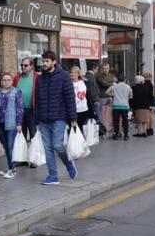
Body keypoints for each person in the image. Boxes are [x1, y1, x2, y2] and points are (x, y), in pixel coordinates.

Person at [35, 50, 77, 184]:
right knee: (47, 148)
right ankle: (53, 175)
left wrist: (73, 119)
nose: (45, 63)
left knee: (57, 145)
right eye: (43, 61)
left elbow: (70, 98)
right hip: (43, 119)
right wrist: (37, 118)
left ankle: (69, 164)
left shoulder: (64, 76)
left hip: (59, 117)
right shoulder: (40, 78)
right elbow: (38, 99)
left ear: (54, 62)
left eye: (47, 61)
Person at [0, 72, 24, 179]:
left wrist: (19, 124)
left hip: (11, 123)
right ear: (1, 81)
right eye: (4, 80)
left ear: (12, 81)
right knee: (6, 146)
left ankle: (12, 169)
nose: (6, 82)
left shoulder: (16, 92)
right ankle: (10, 167)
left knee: (10, 146)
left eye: (8, 80)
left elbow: (20, 109)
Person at [14, 58, 39, 141]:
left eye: (26, 65)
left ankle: (35, 153)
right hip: (19, 111)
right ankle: (23, 153)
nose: (23, 67)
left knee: (33, 133)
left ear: (31, 66)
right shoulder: (17, 78)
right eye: (22, 65)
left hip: (32, 110)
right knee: (21, 134)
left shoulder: (37, 77)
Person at [107, 74, 133, 141]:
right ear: (124, 79)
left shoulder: (114, 86)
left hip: (116, 106)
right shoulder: (128, 87)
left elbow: (107, 92)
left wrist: (113, 95)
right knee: (125, 121)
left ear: (117, 79)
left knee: (116, 121)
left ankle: (116, 134)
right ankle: (126, 135)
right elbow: (131, 96)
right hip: (125, 106)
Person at [69, 65, 95, 129]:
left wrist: (92, 111)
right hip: (72, 111)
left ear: (78, 74)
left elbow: (88, 97)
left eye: (75, 72)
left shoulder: (84, 83)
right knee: (73, 130)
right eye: (71, 72)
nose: (72, 74)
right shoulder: (68, 83)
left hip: (83, 110)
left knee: (81, 129)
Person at [85, 62, 103, 136]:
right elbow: (92, 90)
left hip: (90, 101)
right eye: (97, 69)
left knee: (90, 118)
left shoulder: (86, 76)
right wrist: (96, 99)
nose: (97, 71)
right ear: (93, 68)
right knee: (96, 118)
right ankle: (95, 133)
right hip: (94, 101)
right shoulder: (91, 77)